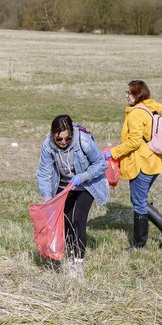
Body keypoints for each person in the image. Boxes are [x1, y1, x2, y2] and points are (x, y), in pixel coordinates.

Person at [106, 79, 162, 250]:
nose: (126, 95)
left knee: (138, 202)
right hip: (154, 162)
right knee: (140, 199)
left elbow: (134, 142)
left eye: (129, 93)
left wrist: (113, 153)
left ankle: (140, 244)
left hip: (142, 163)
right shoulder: (149, 107)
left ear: (137, 95)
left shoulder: (136, 114)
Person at [36, 114, 109, 277]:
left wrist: (82, 177)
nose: (63, 142)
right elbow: (44, 172)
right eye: (59, 139)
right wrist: (47, 198)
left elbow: (101, 164)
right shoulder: (48, 145)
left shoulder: (83, 141)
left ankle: (78, 262)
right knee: (65, 220)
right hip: (65, 184)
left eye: (67, 139)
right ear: (53, 134)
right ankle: (70, 255)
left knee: (78, 219)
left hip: (87, 183)